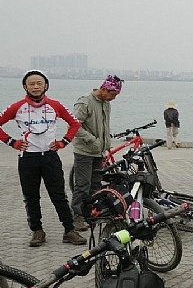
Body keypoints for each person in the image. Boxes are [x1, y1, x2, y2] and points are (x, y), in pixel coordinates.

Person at [0, 70, 87, 247]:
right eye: (31, 84)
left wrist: (63, 142)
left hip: (50, 157)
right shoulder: (17, 107)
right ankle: (37, 231)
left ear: (46, 85)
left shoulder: (55, 105)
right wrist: (12, 142)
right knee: (31, 197)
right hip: (27, 158)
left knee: (59, 195)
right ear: (25, 86)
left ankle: (69, 231)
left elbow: (74, 123)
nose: (35, 86)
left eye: (39, 83)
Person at [70, 74, 123, 232]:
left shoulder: (106, 104)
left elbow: (104, 125)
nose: (114, 98)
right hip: (84, 151)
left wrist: (105, 143)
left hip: (99, 152)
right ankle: (78, 217)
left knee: (96, 185)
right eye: (113, 94)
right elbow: (74, 126)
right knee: (82, 185)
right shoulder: (85, 102)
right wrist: (92, 140)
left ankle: (92, 214)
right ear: (105, 89)